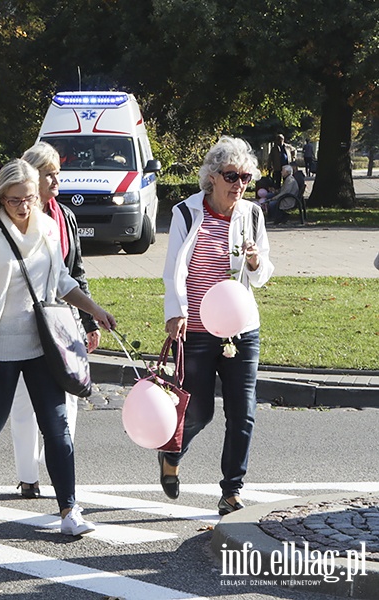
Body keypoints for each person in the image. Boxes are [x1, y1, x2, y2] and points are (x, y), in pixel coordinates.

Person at [0, 159, 116, 536]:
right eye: (15, 200)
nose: (24, 206)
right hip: (0, 344)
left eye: (30, 198)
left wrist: (95, 310)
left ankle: (69, 510)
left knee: (57, 425)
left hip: (45, 344)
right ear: (1, 198)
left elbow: (62, 280)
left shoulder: (47, 228)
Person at [161, 136, 273, 516]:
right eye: (231, 175)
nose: (239, 184)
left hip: (241, 326)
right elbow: (173, 269)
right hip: (196, 327)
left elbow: (261, 276)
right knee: (199, 411)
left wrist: (256, 263)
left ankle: (231, 491)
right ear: (212, 177)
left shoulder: (252, 215)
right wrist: (175, 312)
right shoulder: (187, 213)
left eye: (245, 176)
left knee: (243, 411)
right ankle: (172, 451)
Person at [9, 142, 99, 499]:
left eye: (57, 173)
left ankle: (60, 462)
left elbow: (76, 271)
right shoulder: (18, 220)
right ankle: (27, 474)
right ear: (32, 176)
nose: (56, 179)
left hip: (65, 317)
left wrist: (90, 319)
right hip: (26, 319)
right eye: (50, 173)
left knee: (71, 389)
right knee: (24, 401)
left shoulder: (66, 216)